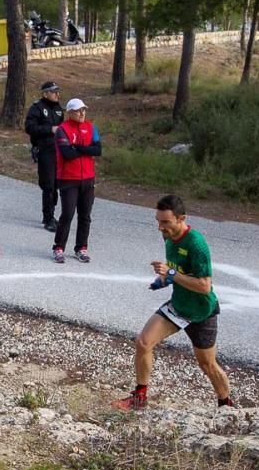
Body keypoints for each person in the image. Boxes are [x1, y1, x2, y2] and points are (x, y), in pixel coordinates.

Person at [112, 195, 233, 411]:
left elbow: (205, 286)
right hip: (178, 306)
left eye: (165, 222)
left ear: (181, 218)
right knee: (143, 343)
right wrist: (163, 280)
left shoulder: (197, 244)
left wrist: (171, 273)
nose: (160, 227)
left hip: (201, 312)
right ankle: (139, 398)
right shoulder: (168, 237)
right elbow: (174, 269)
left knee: (208, 365)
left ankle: (226, 406)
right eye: (158, 221)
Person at [52, 98, 101, 264]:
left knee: (85, 215)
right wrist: (86, 150)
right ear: (70, 112)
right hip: (68, 179)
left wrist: (78, 147)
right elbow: (67, 154)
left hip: (88, 178)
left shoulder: (91, 127)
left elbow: (98, 149)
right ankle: (58, 248)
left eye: (84, 110)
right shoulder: (62, 130)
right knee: (67, 214)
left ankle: (81, 247)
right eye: (78, 110)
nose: (82, 113)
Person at [25, 81, 64, 232]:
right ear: (45, 93)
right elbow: (30, 127)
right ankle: (48, 218)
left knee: (56, 184)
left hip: (58, 151)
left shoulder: (59, 109)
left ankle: (51, 214)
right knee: (48, 184)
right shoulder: (37, 108)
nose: (57, 94)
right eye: (54, 92)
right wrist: (50, 129)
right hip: (44, 150)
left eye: (57, 92)